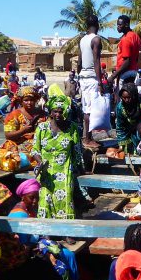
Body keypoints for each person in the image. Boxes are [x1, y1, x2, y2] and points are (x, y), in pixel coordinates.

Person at [32, 92, 86, 219]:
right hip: (46, 172)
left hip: (64, 170)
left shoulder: (72, 128)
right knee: (45, 200)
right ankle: (46, 233)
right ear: (50, 112)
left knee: (66, 198)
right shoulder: (42, 128)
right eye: (55, 111)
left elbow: (77, 152)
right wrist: (40, 162)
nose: (58, 115)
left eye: (61, 112)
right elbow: (35, 150)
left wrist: (81, 169)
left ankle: (67, 232)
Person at [76, 16, 103, 151]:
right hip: (92, 76)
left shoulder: (82, 40)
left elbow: (79, 61)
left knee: (86, 108)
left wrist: (78, 76)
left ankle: (88, 137)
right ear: (97, 25)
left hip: (83, 76)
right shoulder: (96, 39)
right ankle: (88, 138)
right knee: (90, 109)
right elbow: (96, 61)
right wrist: (99, 82)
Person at [113, 81, 141, 153]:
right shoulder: (120, 107)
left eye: (129, 97)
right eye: (124, 98)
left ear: (134, 95)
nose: (126, 100)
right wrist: (121, 145)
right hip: (131, 133)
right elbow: (120, 126)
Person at [3, 87, 45, 153]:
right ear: (21, 101)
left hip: (40, 142)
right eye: (26, 100)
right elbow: (8, 135)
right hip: (20, 143)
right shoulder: (14, 115)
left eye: (32, 100)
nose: (29, 103)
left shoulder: (42, 113)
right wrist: (23, 130)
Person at [110, 14, 141, 89]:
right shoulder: (136, 36)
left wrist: (113, 76)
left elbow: (126, 62)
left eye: (120, 24)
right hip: (133, 72)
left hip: (125, 74)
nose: (118, 26)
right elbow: (136, 57)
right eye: (117, 25)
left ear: (127, 25)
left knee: (123, 98)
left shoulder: (125, 39)